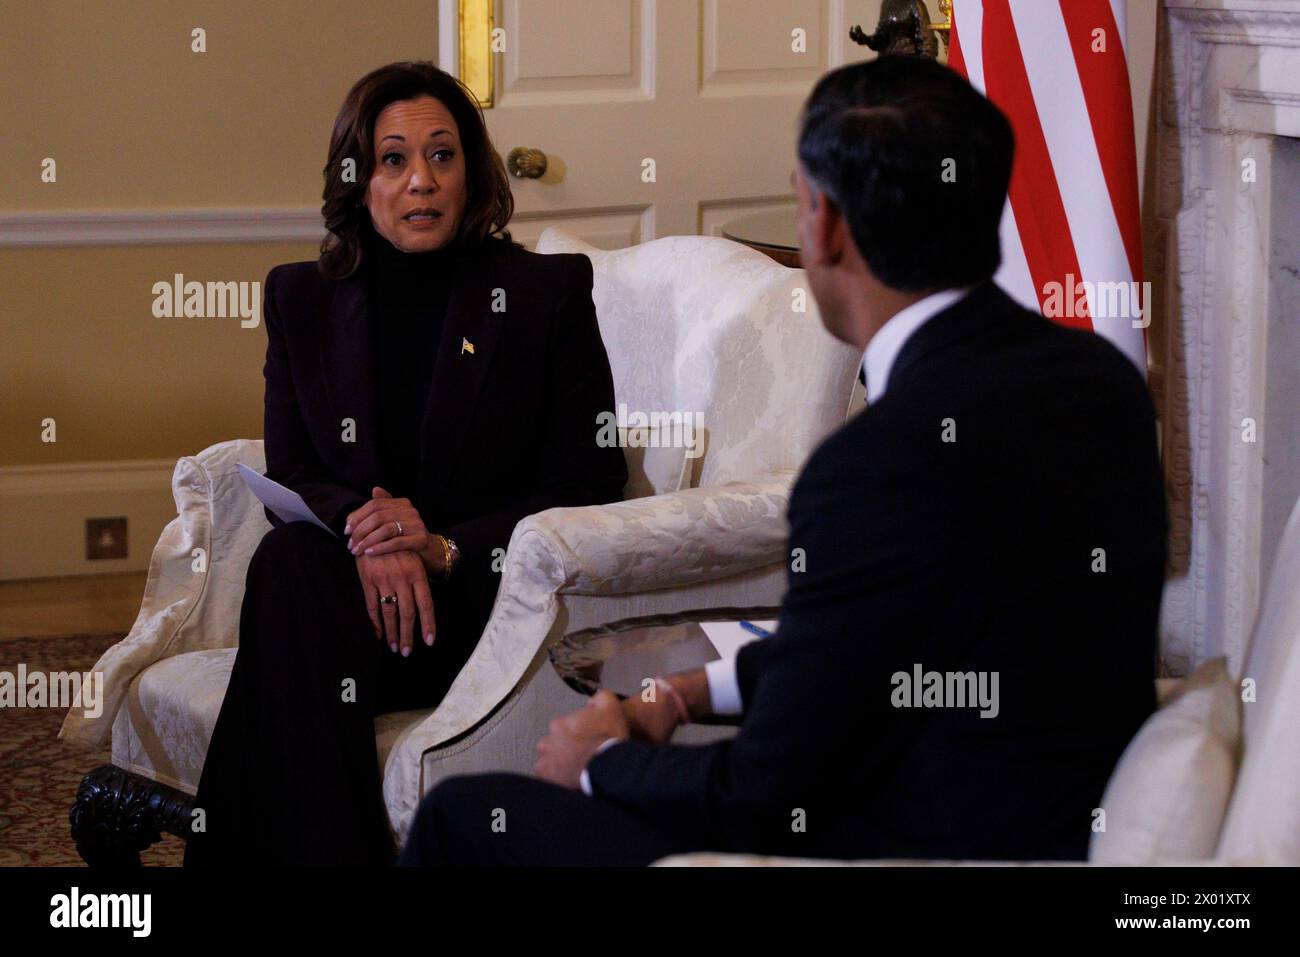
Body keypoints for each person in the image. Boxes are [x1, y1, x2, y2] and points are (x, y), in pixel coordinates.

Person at [398, 55, 1167, 866]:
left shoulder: (868, 466)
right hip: (1062, 828)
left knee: (463, 815)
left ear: (825, 224)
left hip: (902, 842)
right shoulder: (1107, 387)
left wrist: (606, 764)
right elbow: (881, 650)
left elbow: (770, 798)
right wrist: (691, 687)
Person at [184, 61, 626, 866]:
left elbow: (589, 482)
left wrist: (442, 546)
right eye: (393, 159)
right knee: (291, 562)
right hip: (349, 601)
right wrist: (376, 539)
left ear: (472, 171)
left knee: (286, 620)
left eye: (442, 155)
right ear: (358, 178)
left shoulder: (544, 293)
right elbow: (296, 470)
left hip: (477, 606)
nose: (420, 181)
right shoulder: (300, 298)